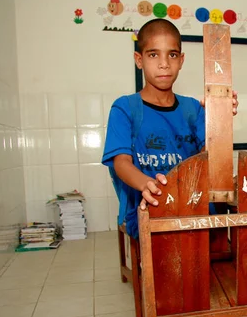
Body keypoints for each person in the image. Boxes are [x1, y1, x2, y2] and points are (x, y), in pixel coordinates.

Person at [102, 18, 237, 238]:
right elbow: (121, 163)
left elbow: (211, 158)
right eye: (153, 54)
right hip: (148, 211)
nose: (164, 63)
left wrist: (221, 119)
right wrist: (150, 186)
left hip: (196, 211)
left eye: (172, 55)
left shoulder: (193, 109)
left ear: (181, 60)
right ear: (139, 59)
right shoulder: (125, 108)